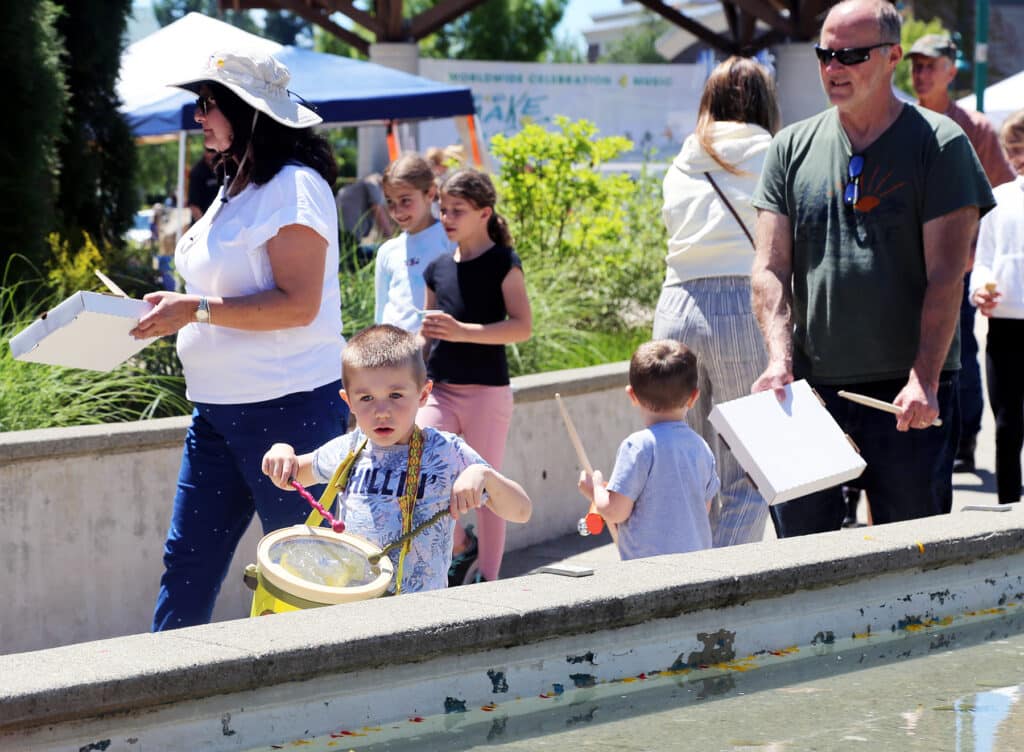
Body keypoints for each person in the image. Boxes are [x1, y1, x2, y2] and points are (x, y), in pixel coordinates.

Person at [749, 0, 995, 537]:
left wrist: (924, 379)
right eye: (825, 54)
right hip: (809, 392)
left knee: (910, 561)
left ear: (891, 58)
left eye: (851, 55)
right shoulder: (790, 145)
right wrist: (778, 359)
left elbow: (947, 276)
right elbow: (769, 267)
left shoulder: (940, 142)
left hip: (906, 396)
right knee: (801, 560)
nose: (834, 68)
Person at [129, 49, 349, 630]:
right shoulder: (235, 184)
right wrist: (175, 311)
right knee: (187, 562)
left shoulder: (294, 187)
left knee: (310, 572)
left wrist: (194, 310)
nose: (197, 117)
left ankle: (323, 711)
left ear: (247, 111)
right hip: (217, 413)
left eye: (207, 104)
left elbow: (299, 306)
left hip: (290, 411)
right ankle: (162, 696)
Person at [261, 325, 533, 593]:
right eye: (366, 398)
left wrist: (484, 476)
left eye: (395, 395)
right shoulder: (349, 450)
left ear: (423, 395)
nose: (381, 411)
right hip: (356, 606)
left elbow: (521, 511)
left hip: (422, 612)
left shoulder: (445, 452)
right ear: (349, 402)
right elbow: (293, 475)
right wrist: (281, 451)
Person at [653, 56, 778, 548]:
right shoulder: (774, 151)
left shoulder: (683, 158)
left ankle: (685, 579)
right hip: (740, 302)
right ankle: (718, 586)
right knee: (751, 468)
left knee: (686, 467)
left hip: (676, 303)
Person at [417, 168, 532, 585]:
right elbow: (426, 336)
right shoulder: (436, 268)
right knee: (419, 469)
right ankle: (460, 550)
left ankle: (491, 579)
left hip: (487, 392)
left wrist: (465, 332)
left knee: (487, 488)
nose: (446, 218)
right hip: (440, 392)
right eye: (442, 209)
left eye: (457, 211)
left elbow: (522, 326)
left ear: (484, 213)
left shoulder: (504, 262)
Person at [909, 33, 1015, 474]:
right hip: (909, 267)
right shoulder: (900, 123)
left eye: (930, 65)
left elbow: (1005, 195)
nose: (921, 73)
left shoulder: (977, 128)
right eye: (915, 65)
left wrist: (976, 254)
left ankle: (964, 438)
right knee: (912, 352)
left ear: (952, 71)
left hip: (961, 269)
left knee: (960, 355)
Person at [576, 340, 718, 560]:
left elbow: (616, 511)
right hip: (697, 565)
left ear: (631, 395)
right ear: (693, 397)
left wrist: (595, 489)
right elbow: (703, 508)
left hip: (650, 572)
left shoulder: (637, 447)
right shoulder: (701, 447)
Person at [969, 110, 1024, 505]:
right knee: (1006, 426)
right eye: (1012, 150)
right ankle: (1008, 511)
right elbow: (984, 259)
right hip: (1004, 326)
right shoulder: (1000, 200)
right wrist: (978, 291)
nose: (1018, 158)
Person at [375, 153, 455, 332]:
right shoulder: (387, 251)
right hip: (395, 355)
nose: (397, 211)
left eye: (405, 200)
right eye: (390, 202)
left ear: (430, 193)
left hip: (438, 353)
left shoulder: (450, 239)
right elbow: (380, 312)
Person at [336, 172, 394, 261]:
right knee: (385, 251)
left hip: (338, 236)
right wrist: (393, 242)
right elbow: (378, 211)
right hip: (347, 238)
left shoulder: (354, 187)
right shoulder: (373, 182)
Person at [188, 149, 221, 223]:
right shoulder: (197, 172)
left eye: (215, 151)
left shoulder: (223, 168)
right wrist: (204, 226)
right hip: (203, 222)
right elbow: (194, 206)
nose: (213, 155)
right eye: (210, 151)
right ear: (205, 152)